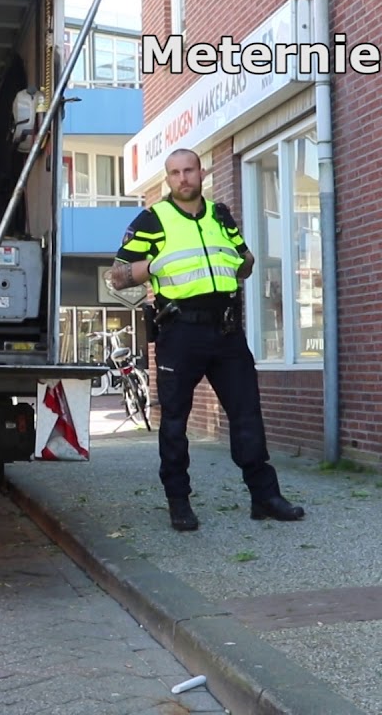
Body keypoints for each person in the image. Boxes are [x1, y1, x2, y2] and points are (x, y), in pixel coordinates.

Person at [108, 148, 305, 532]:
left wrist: (241, 261)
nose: (183, 178)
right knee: (175, 422)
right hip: (180, 332)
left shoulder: (220, 214)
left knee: (247, 413)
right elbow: (116, 276)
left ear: (201, 172)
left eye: (189, 170)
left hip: (227, 330)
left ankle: (264, 497)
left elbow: (245, 263)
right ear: (168, 179)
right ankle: (179, 503)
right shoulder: (151, 220)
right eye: (175, 173)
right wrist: (152, 267)